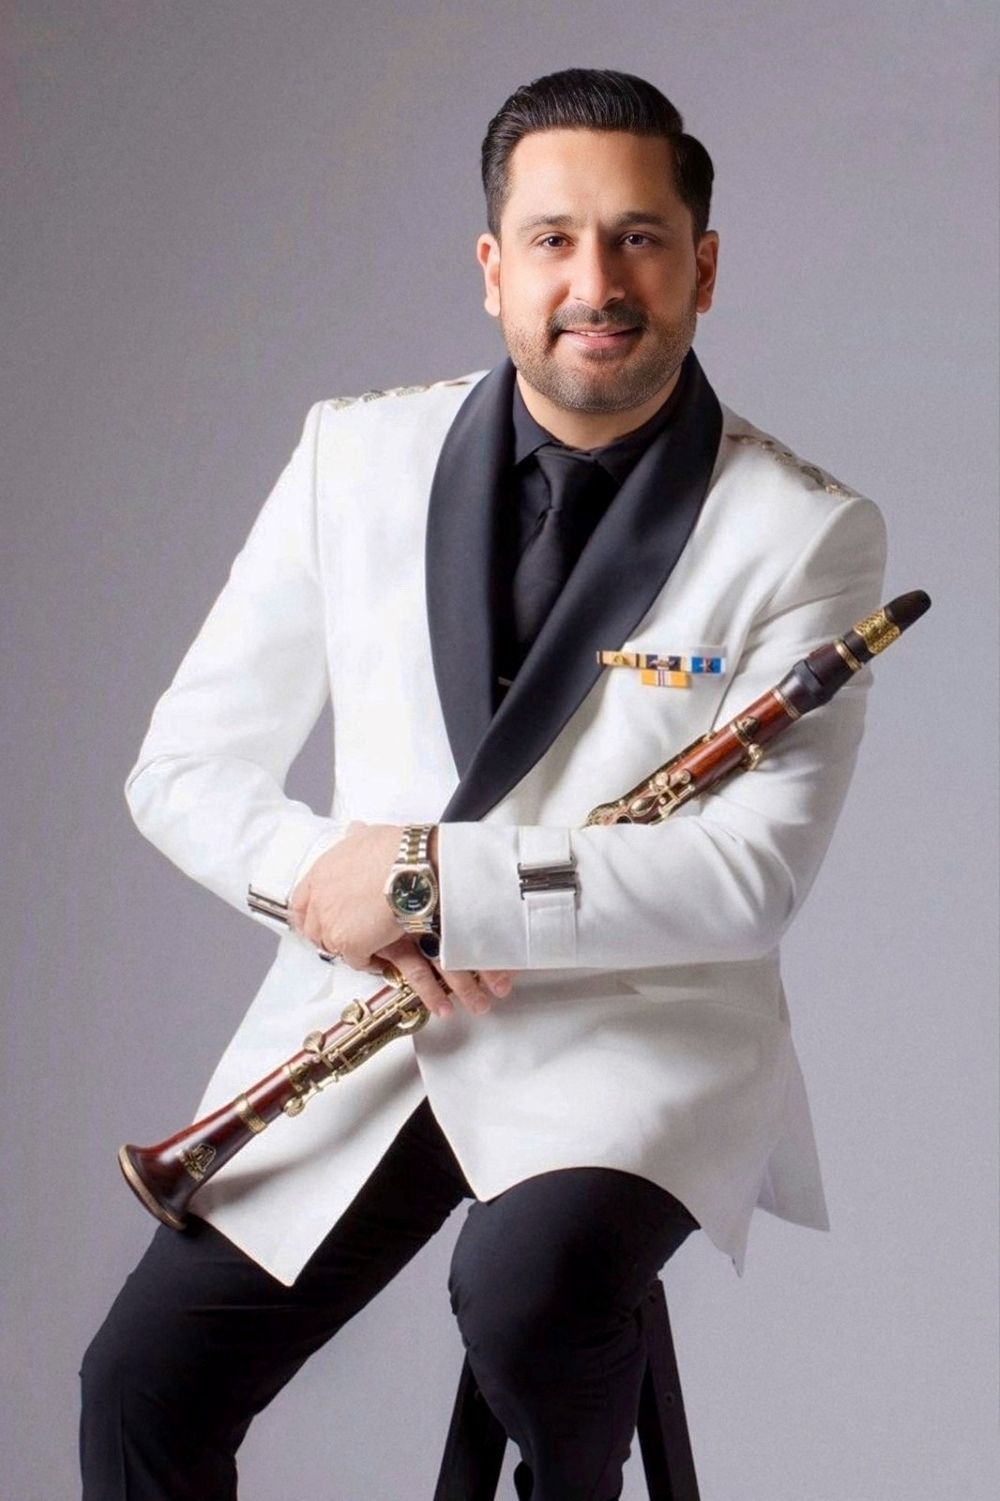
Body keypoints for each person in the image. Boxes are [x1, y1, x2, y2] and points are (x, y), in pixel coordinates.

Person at [80, 67, 887, 1500]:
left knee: (523, 1295)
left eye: (639, 239)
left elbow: (747, 878)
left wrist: (430, 882)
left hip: (631, 1036)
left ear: (703, 268)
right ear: (493, 266)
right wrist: (325, 888)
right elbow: (183, 766)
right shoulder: (353, 455)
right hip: (378, 1016)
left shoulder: (804, 531)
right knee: (140, 1388)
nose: (597, 282)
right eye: (555, 239)